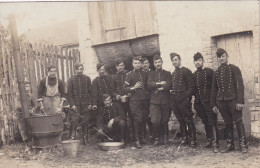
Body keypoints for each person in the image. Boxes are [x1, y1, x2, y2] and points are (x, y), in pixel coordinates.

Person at [211, 48, 248, 153]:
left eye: (223, 56)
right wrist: (214, 104)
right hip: (221, 101)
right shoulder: (216, 72)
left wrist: (240, 101)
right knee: (227, 122)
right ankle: (230, 144)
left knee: (238, 120)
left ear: (227, 56)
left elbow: (240, 86)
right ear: (217, 59)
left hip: (233, 100)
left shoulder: (234, 69)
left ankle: (243, 144)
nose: (221, 58)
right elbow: (214, 89)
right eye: (219, 57)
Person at [192, 52, 218, 153]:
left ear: (203, 61)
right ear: (194, 63)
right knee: (205, 121)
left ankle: (216, 143)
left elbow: (214, 88)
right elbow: (193, 89)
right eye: (196, 61)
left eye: (199, 60)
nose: (197, 63)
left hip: (209, 102)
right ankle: (210, 140)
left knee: (212, 121)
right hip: (199, 103)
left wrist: (214, 102)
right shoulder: (194, 75)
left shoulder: (209, 72)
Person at [169, 53, 197, 148]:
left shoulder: (186, 71)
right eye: (173, 60)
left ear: (180, 60)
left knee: (188, 119)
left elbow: (191, 86)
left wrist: (186, 97)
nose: (174, 62)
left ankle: (193, 139)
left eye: (176, 59)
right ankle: (185, 138)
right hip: (175, 100)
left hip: (183, 100)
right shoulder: (173, 73)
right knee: (181, 120)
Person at [124, 56, 149, 148]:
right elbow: (124, 89)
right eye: (135, 63)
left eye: (139, 63)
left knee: (143, 118)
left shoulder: (145, 74)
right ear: (132, 64)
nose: (137, 65)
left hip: (144, 100)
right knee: (137, 120)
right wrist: (134, 87)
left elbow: (147, 85)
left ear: (141, 64)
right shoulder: (129, 75)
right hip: (135, 101)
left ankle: (142, 137)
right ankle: (136, 140)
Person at [147, 54, 171, 146]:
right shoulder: (151, 74)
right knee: (155, 120)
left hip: (165, 100)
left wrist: (161, 88)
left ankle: (165, 138)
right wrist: (160, 83)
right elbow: (149, 85)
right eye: (156, 62)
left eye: (159, 62)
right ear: (153, 64)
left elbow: (169, 84)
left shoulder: (167, 73)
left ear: (162, 62)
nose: (158, 64)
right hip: (154, 101)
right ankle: (157, 138)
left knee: (165, 120)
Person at [67, 63, 94, 144]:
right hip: (75, 104)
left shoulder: (87, 79)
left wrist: (89, 103)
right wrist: (72, 105)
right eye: (78, 69)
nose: (79, 71)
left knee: (85, 121)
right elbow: (69, 94)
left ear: (83, 69)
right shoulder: (71, 79)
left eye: (81, 69)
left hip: (85, 104)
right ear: (75, 70)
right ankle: (73, 137)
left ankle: (85, 138)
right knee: (74, 120)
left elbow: (90, 93)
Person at [111, 59, 133, 141]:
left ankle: (134, 138)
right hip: (119, 101)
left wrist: (130, 92)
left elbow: (132, 85)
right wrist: (116, 95)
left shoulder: (128, 74)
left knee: (132, 117)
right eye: (119, 66)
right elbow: (112, 90)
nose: (121, 67)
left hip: (129, 100)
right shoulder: (113, 77)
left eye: (122, 65)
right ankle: (124, 137)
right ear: (116, 67)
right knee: (122, 118)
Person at [15, 81, 37, 151]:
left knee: (31, 128)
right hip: (21, 115)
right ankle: (27, 145)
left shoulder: (31, 96)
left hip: (29, 115)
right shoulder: (19, 96)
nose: (27, 88)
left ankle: (33, 144)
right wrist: (26, 110)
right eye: (25, 86)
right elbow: (18, 106)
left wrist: (33, 110)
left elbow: (35, 105)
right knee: (23, 129)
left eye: (28, 86)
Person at [141, 57, 153, 140]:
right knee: (143, 116)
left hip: (152, 97)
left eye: (146, 63)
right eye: (143, 63)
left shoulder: (153, 72)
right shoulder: (140, 74)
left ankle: (153, 134)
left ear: (149, 64)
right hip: (143, 98)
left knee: (152, 116)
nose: (145, 65)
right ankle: (143, 136)